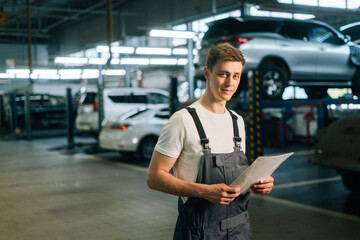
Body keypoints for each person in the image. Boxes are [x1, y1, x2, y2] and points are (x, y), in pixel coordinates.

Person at [147, 43, 274, 240]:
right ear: (207, 73)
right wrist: (204, 191)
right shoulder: (182, 120)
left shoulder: (236, 121)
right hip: (199, 232)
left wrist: (257, 183)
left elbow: (237, 177)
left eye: (236, 76)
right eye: (223, 74)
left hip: (240, 230)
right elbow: (154, 177)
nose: (229, 83)